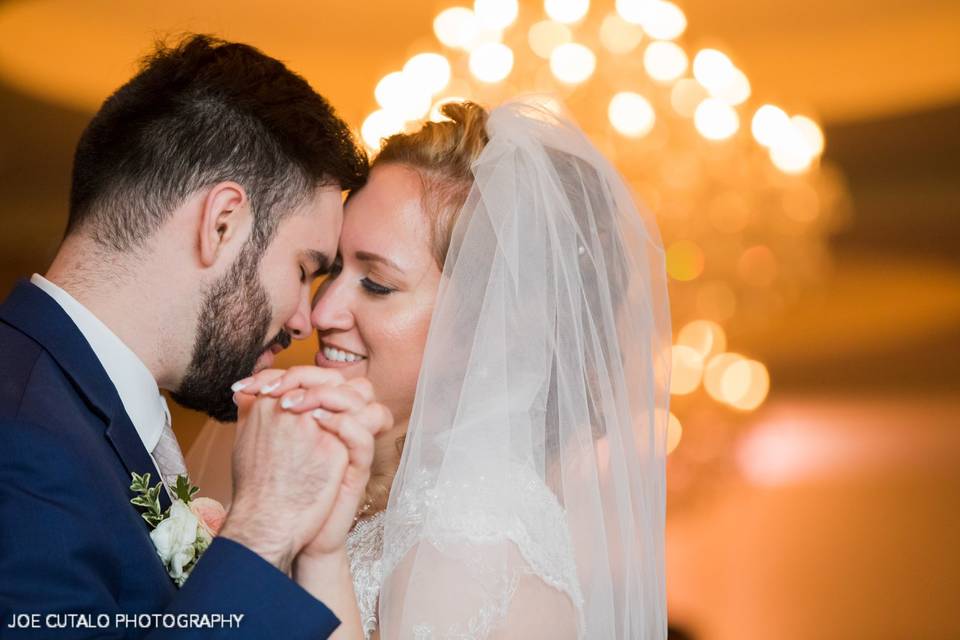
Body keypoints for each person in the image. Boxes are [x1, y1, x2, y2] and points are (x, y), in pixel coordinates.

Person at [214, 98, 672, 638]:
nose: (320, 313)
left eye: (378, 284)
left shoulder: (472, 538)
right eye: (334, 268)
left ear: (494, 330)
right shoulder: (396, 499)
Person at [0, 35, 392, 639]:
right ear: (222, 223)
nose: (304, 322)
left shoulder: (79, 409)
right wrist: (259, 530)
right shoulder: (18, 436)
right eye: (304, 270)